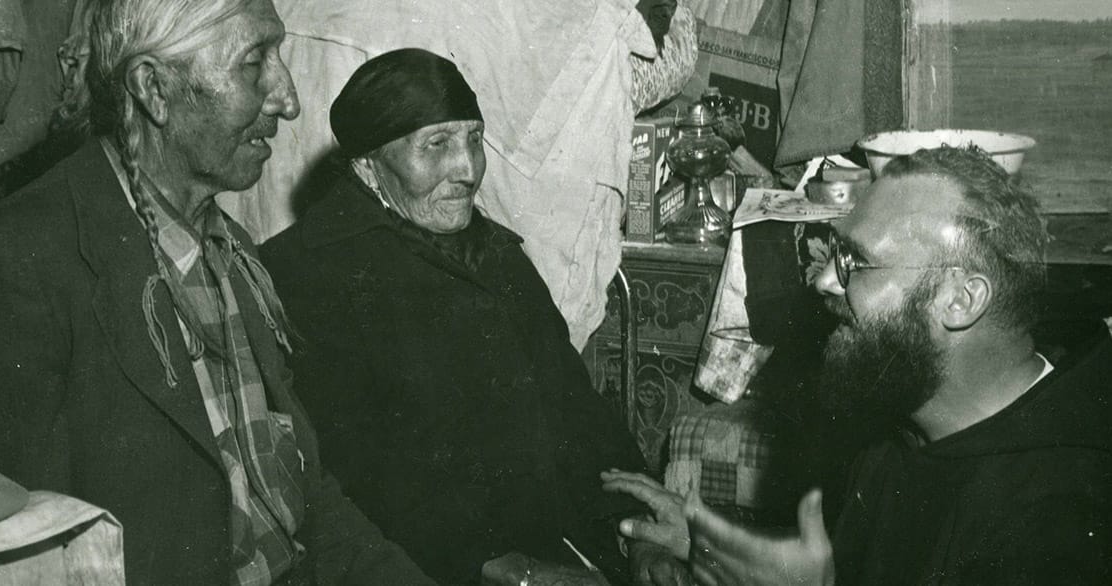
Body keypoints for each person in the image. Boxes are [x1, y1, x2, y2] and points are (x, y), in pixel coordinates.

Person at [0, 1, 435, 584]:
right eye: (253, 63)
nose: (288, 99)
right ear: (154, 90)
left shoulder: (231, 249)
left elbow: (304, 504)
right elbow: (18, 551)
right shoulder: (25, 258)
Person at [259, 48, 686, 586]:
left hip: (559, 551)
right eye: (436, 144)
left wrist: (640, 534)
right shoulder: (304, 274)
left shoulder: (495, 257)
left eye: (473, 139)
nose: (466, 169)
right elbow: (352, 476)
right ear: (368, 166)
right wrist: (513, 570)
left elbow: (577, 412)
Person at [603, 146, 1112, 585]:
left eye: (855, 262)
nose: (824, 281)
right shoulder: (901, 417)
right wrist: (713, 546)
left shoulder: (1066, 520)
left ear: (961, 299)